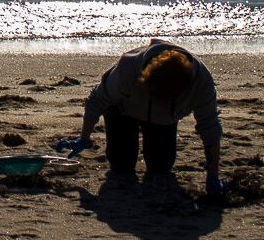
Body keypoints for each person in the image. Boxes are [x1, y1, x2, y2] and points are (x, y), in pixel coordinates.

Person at [61, 38, 222, 195]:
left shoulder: (202, 83)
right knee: (121, 164)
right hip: (123, 109)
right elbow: (97, 101)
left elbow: (210, 127)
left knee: (161, 167)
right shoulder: (128, 69)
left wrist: (213, 174)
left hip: (165, 119)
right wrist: (84, 137)